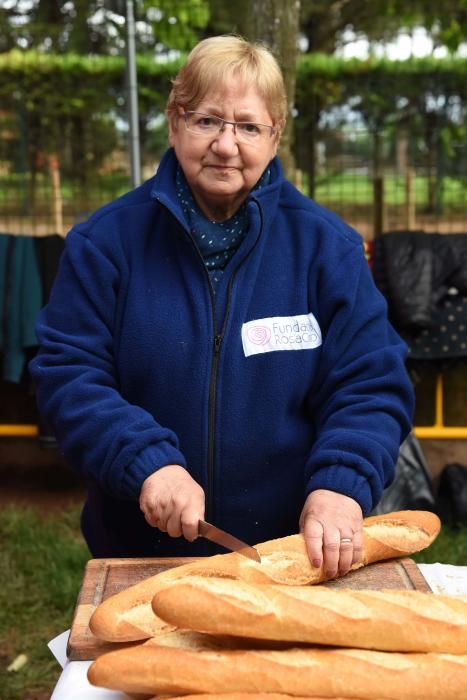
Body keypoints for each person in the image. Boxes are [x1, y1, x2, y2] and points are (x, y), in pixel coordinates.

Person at [29, 35, 414, 579]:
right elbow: (69, 374)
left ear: (275, 135)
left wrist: (340, 484)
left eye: (249, 126)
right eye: (207, 120)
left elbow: (371, 385)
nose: (226, 145)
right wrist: (147, 464)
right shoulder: (105, 244)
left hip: (291, 558)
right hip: (145, 555)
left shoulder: (329, 249)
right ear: (174, 122)